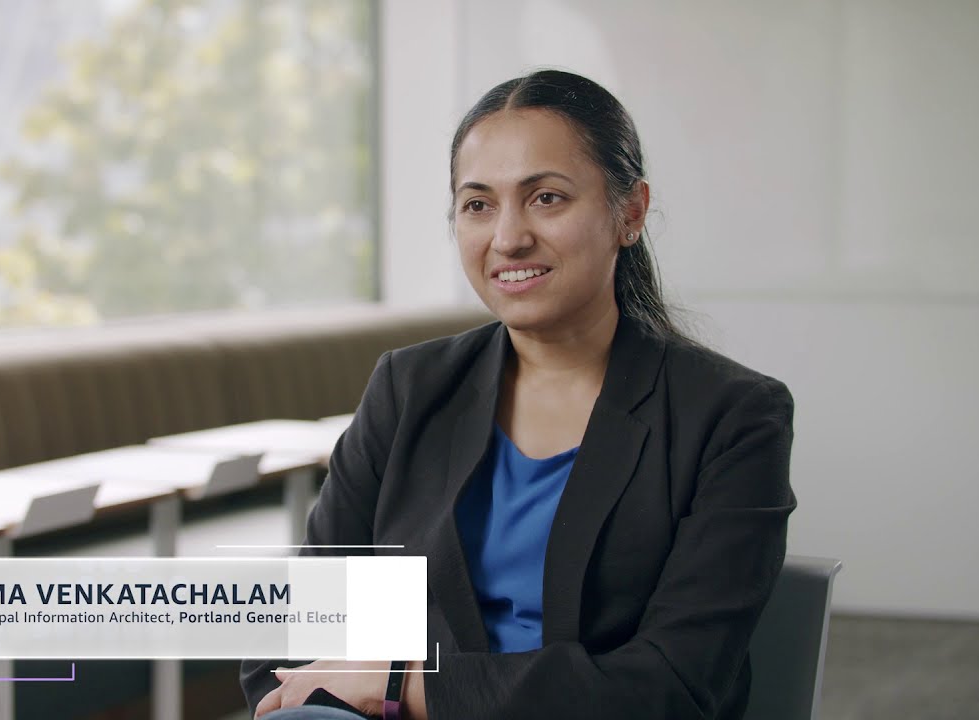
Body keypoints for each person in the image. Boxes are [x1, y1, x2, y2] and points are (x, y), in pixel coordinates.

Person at [242, 69, 796, 720]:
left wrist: (403, 684)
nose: (508, 238)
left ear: (631, 213)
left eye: (547, 199)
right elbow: (289, 643)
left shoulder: (731, 416)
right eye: (478, 204)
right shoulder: (409, 388)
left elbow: (673, 685)